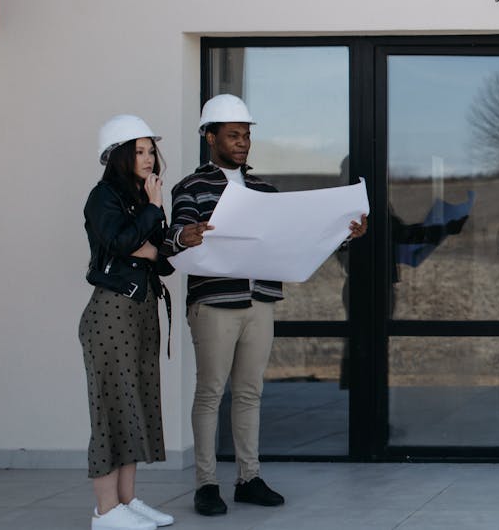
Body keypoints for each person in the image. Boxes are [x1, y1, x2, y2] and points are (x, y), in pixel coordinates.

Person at [160, 94, 367, 516]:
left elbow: (296, 240)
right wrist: (184, 236)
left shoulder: (263, 191)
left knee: (250, 393)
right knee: (210, 392)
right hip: (215, 302)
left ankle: (248, 479)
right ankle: (206, 485)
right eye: (233, 135)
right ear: (210, 137)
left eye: (247, 135)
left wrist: (343, 235)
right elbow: (174, 238)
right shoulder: (191, 188)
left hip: (260, 301)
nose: (242, 142)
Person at [81, 115, 176, 530]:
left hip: (140, 309)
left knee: (134, 405)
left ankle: (127, 500)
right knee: (110, 410)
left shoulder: (142, 199)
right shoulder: (103, 197)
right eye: (139, 151)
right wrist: (152, 215)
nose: (149, 158)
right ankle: (105, 511)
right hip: (112, 312)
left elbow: (162, 258)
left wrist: (151, 234)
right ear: (118, 155)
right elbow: (120, 242)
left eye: (151, 150)